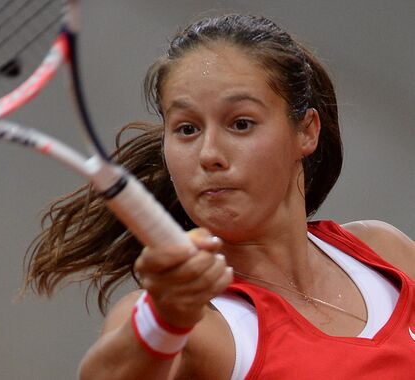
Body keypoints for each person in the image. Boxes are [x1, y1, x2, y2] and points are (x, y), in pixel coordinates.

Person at [24, 14, 415, 379]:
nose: (209, 154)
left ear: (306, 131)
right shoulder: (192, 324)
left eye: (240, 123)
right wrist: (164, 318)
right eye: (187, 129)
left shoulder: (384, 253)